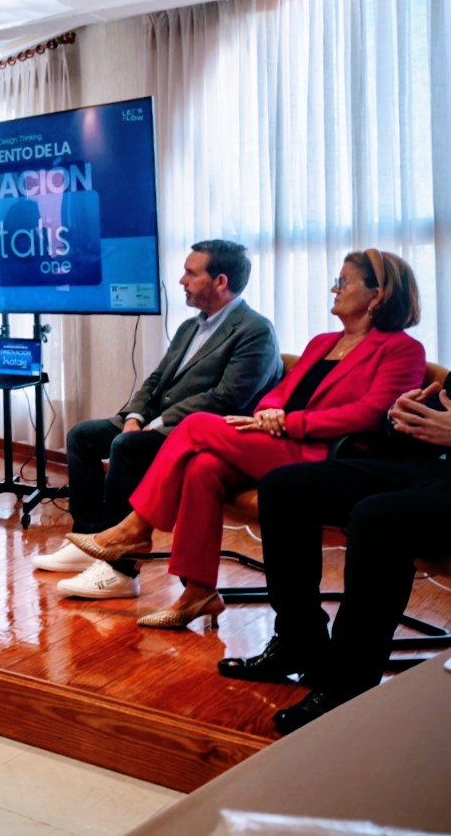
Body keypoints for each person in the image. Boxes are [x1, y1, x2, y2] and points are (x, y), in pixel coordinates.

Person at [66, 249, 425, 629]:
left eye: (344, 282)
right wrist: (268, 412)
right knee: (204, 467)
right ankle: (198, 591)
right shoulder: (323, 342)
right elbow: (280, 391)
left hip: (328, 456)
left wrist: (290, 422)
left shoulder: (403, 350)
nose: (334, 289)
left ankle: (136, 529)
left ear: (377, 295)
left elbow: (370, 413)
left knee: (196, 425)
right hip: (283, 440)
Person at [33, 240, 281, 601]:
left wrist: (159, 421)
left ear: (220, 282)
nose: (181, 281)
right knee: (83, 436)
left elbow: (226, 398)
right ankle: (90, 540)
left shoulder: (255, 331)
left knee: (127, 447)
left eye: (191, 273)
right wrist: (135, 415)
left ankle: (120, 571)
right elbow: (156, 379)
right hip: (156, 422)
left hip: (200, 433)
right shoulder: (190, 326)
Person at [217, 380, 451, 734]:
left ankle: (348, 683)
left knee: (376, 518)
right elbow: (435, 414)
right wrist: (402, 416)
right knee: (282, 487)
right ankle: (298, 642)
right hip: (426, 467)